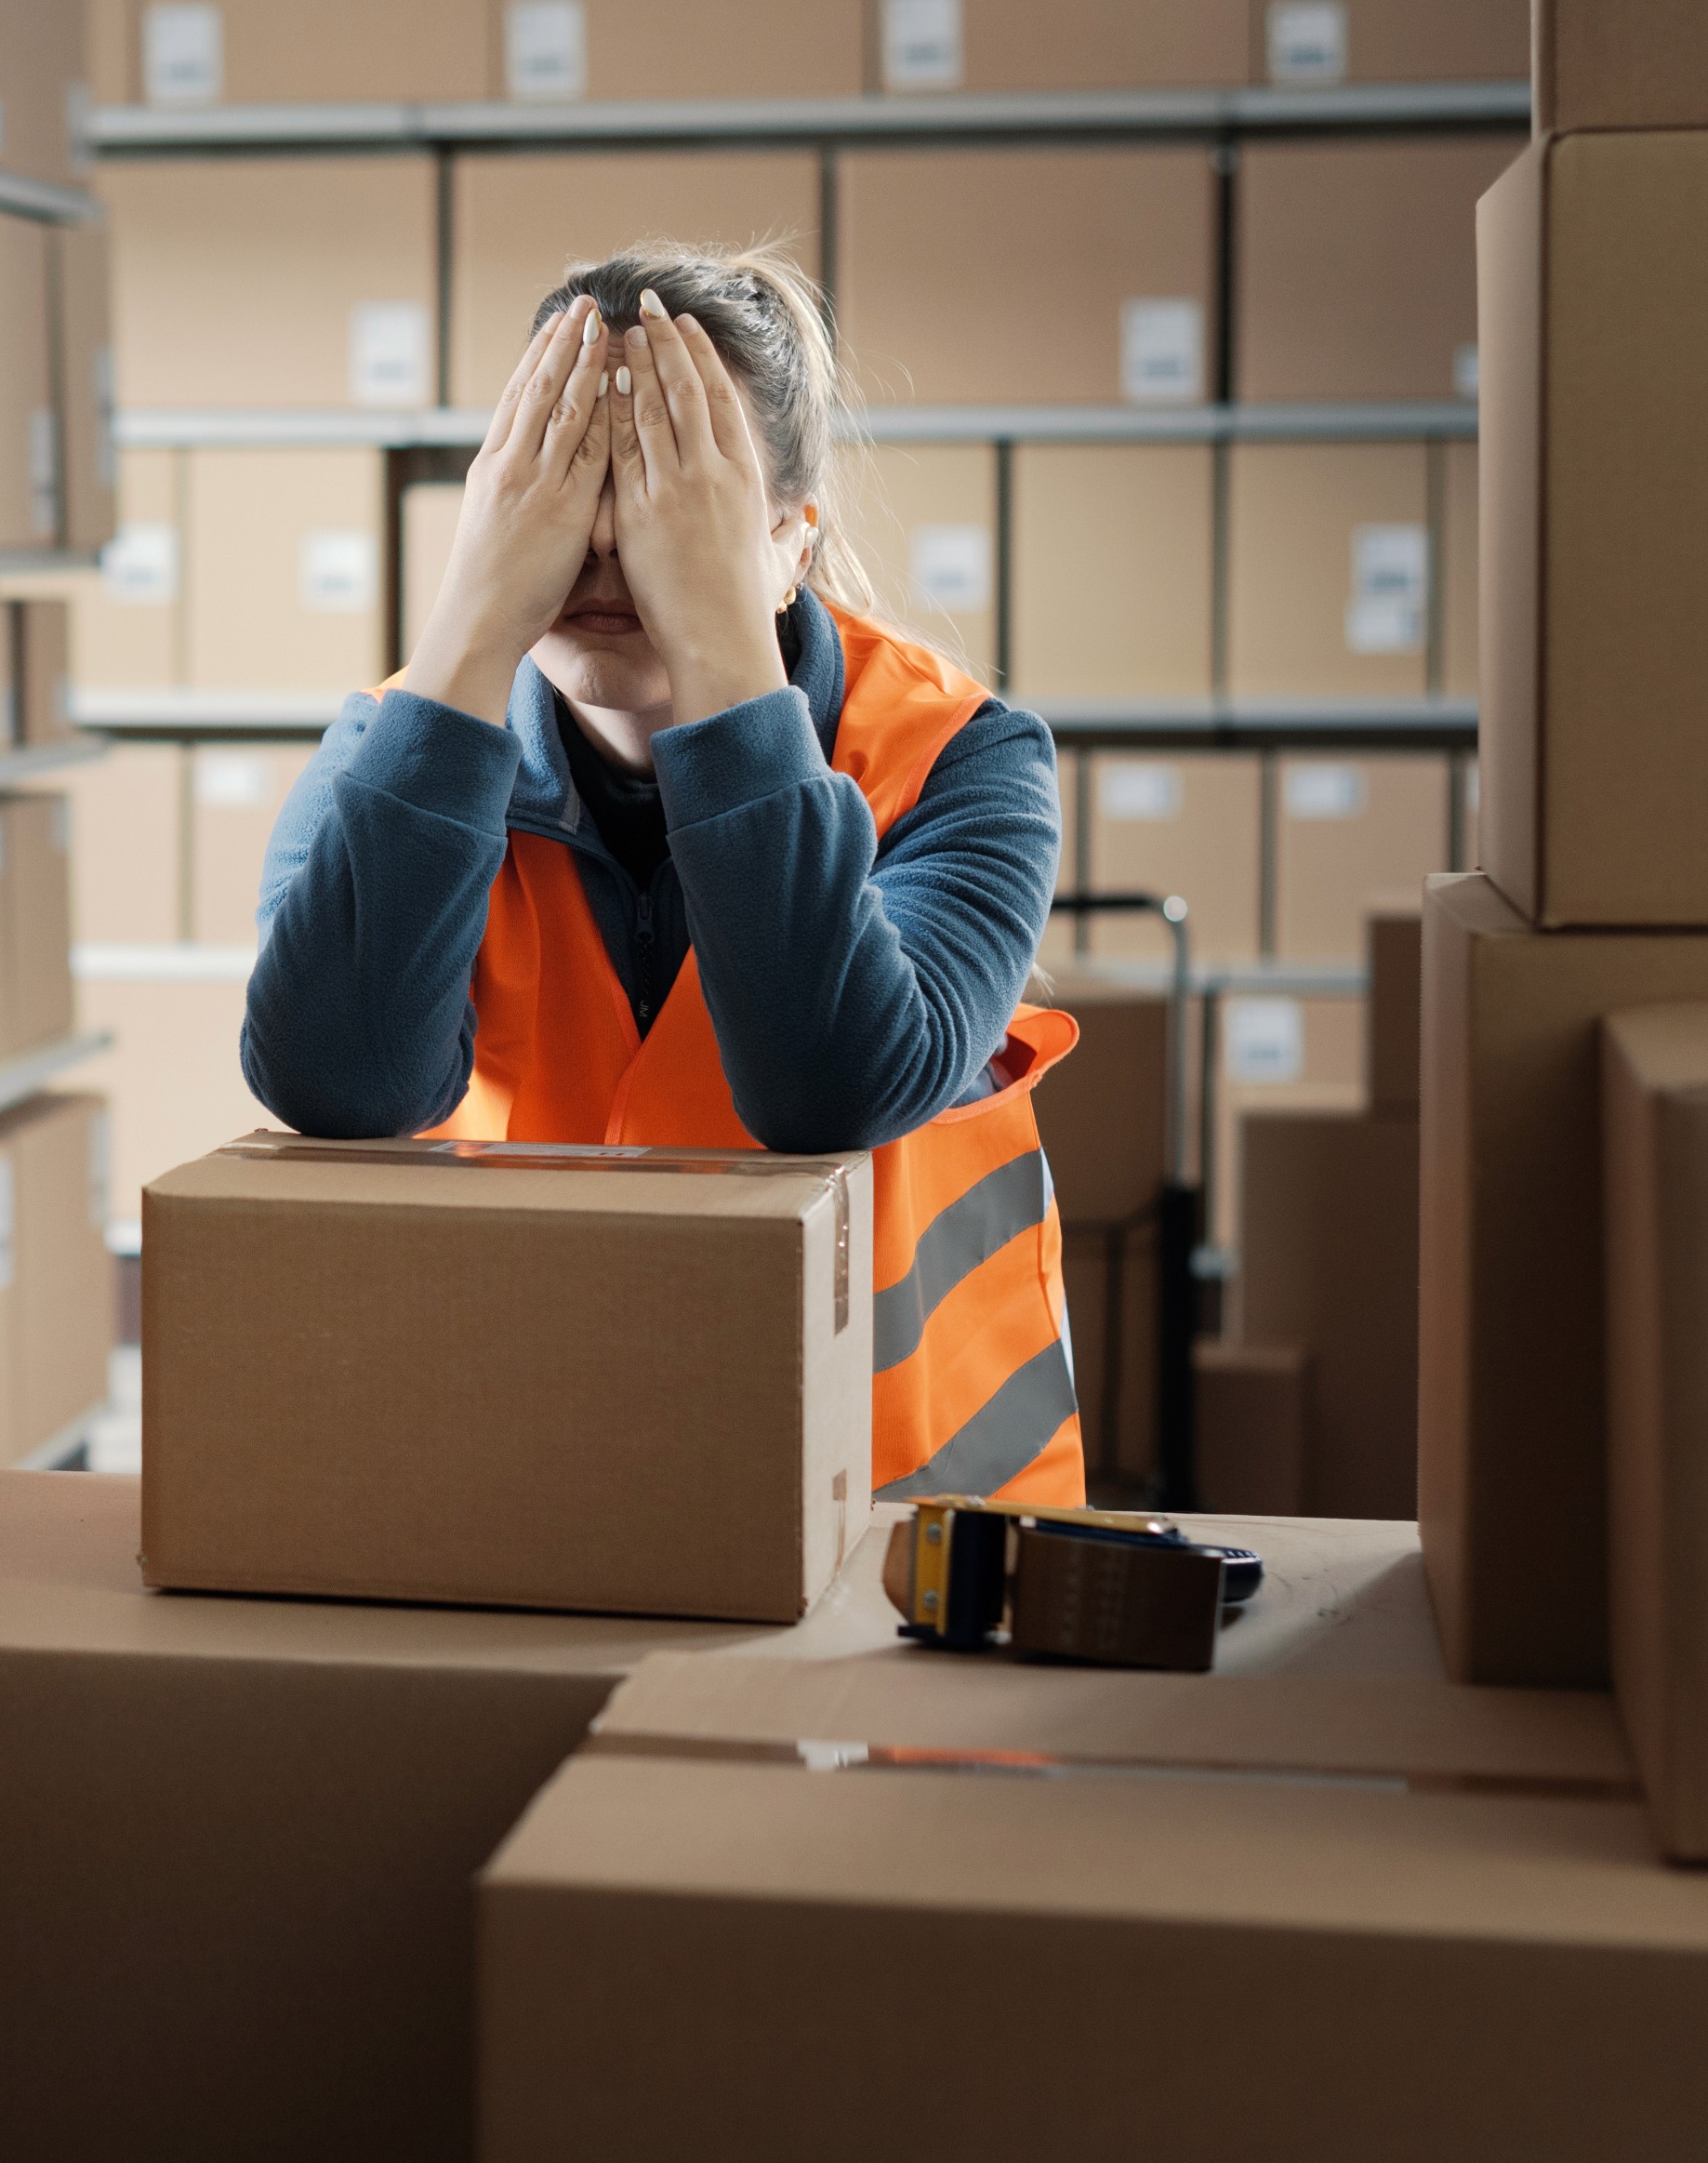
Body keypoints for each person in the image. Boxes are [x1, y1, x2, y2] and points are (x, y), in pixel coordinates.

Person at [240, 243, 1084, 1504]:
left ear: (795, 541)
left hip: (906, 1540)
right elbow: (335, 1080)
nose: (605, 551)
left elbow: (834, 1084)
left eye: (674, 496)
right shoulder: (404, 743)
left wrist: (721, 659)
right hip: (546, 1481)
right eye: (566, 479)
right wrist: (472, 628)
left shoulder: (961, 760)